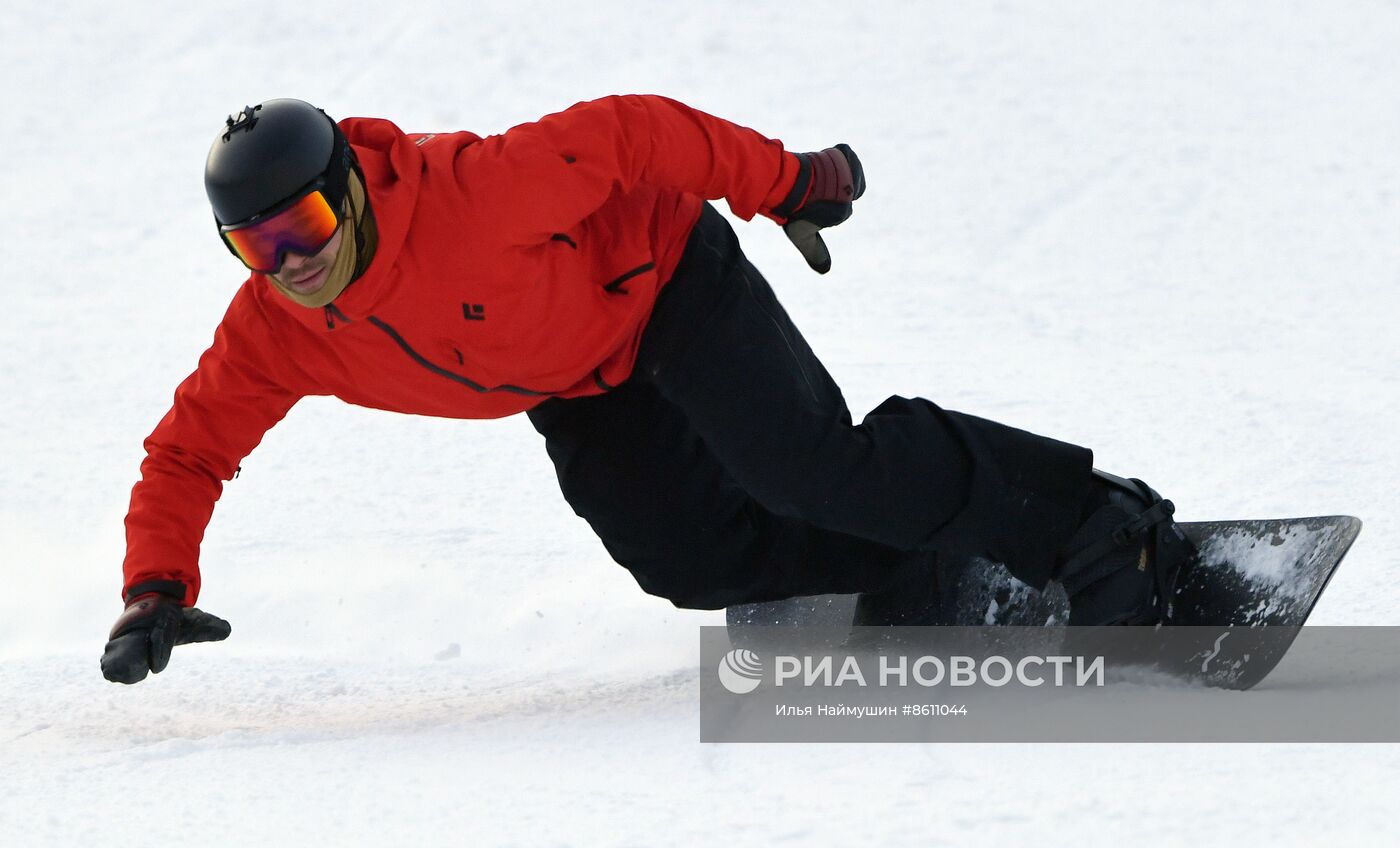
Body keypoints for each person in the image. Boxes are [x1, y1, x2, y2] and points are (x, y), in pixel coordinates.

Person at [100, 96, 1193, 684]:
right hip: (575, 376)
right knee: (685, 559)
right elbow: (187, 447)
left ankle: (1099, 529)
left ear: (349, 188)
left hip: (663, 278)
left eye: (308, 227)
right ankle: (930, 551)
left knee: (809, 465)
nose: (291, 261)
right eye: (255, 245)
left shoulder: (472, 194)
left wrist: (789, 180)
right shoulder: (277, 333)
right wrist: (154, 583)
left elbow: (634, 134)